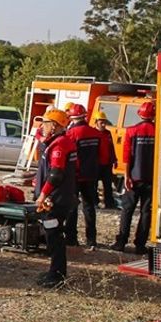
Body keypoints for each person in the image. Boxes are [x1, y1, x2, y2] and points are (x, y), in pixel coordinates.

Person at [33, 108, 77, 288]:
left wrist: (43, 194)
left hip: (56, 200)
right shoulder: (57, 142)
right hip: (57, 198)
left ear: (55, 126)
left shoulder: (60, 145)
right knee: (52, 235)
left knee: (54, 236)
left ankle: (57, 275)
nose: (42, 126)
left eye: (46, 122)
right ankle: (54, 271)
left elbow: (56, 174)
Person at [112, 101, 157, 253]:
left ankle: (121, 242)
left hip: (133, 177)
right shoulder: (158, 132)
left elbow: (126, 156)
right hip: (152, 180)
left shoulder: (132, 131)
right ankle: (140, 245)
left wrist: (126, 176)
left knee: (127, 210)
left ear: (139, 113)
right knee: (146, 212)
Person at [65, 103, 104, 249]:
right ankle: (91, 239)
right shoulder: (95, 132)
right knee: (89, 207)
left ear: (72, 117)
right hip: (91, 175)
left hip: (75, 175)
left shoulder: (71, 134)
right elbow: (102, 155)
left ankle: (71, 238)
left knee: (72, 207)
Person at [94, 116, 119, 210]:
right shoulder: (93, 133)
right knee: (94, 185)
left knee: (108, 185)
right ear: (96, 122)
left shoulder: (108, 133)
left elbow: (111, 147)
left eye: (104, 122)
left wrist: (114, 159)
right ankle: (95, 202)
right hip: (96, 164)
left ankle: (109, 203)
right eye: (101, 122)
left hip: (107, 163)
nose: (103, 125)